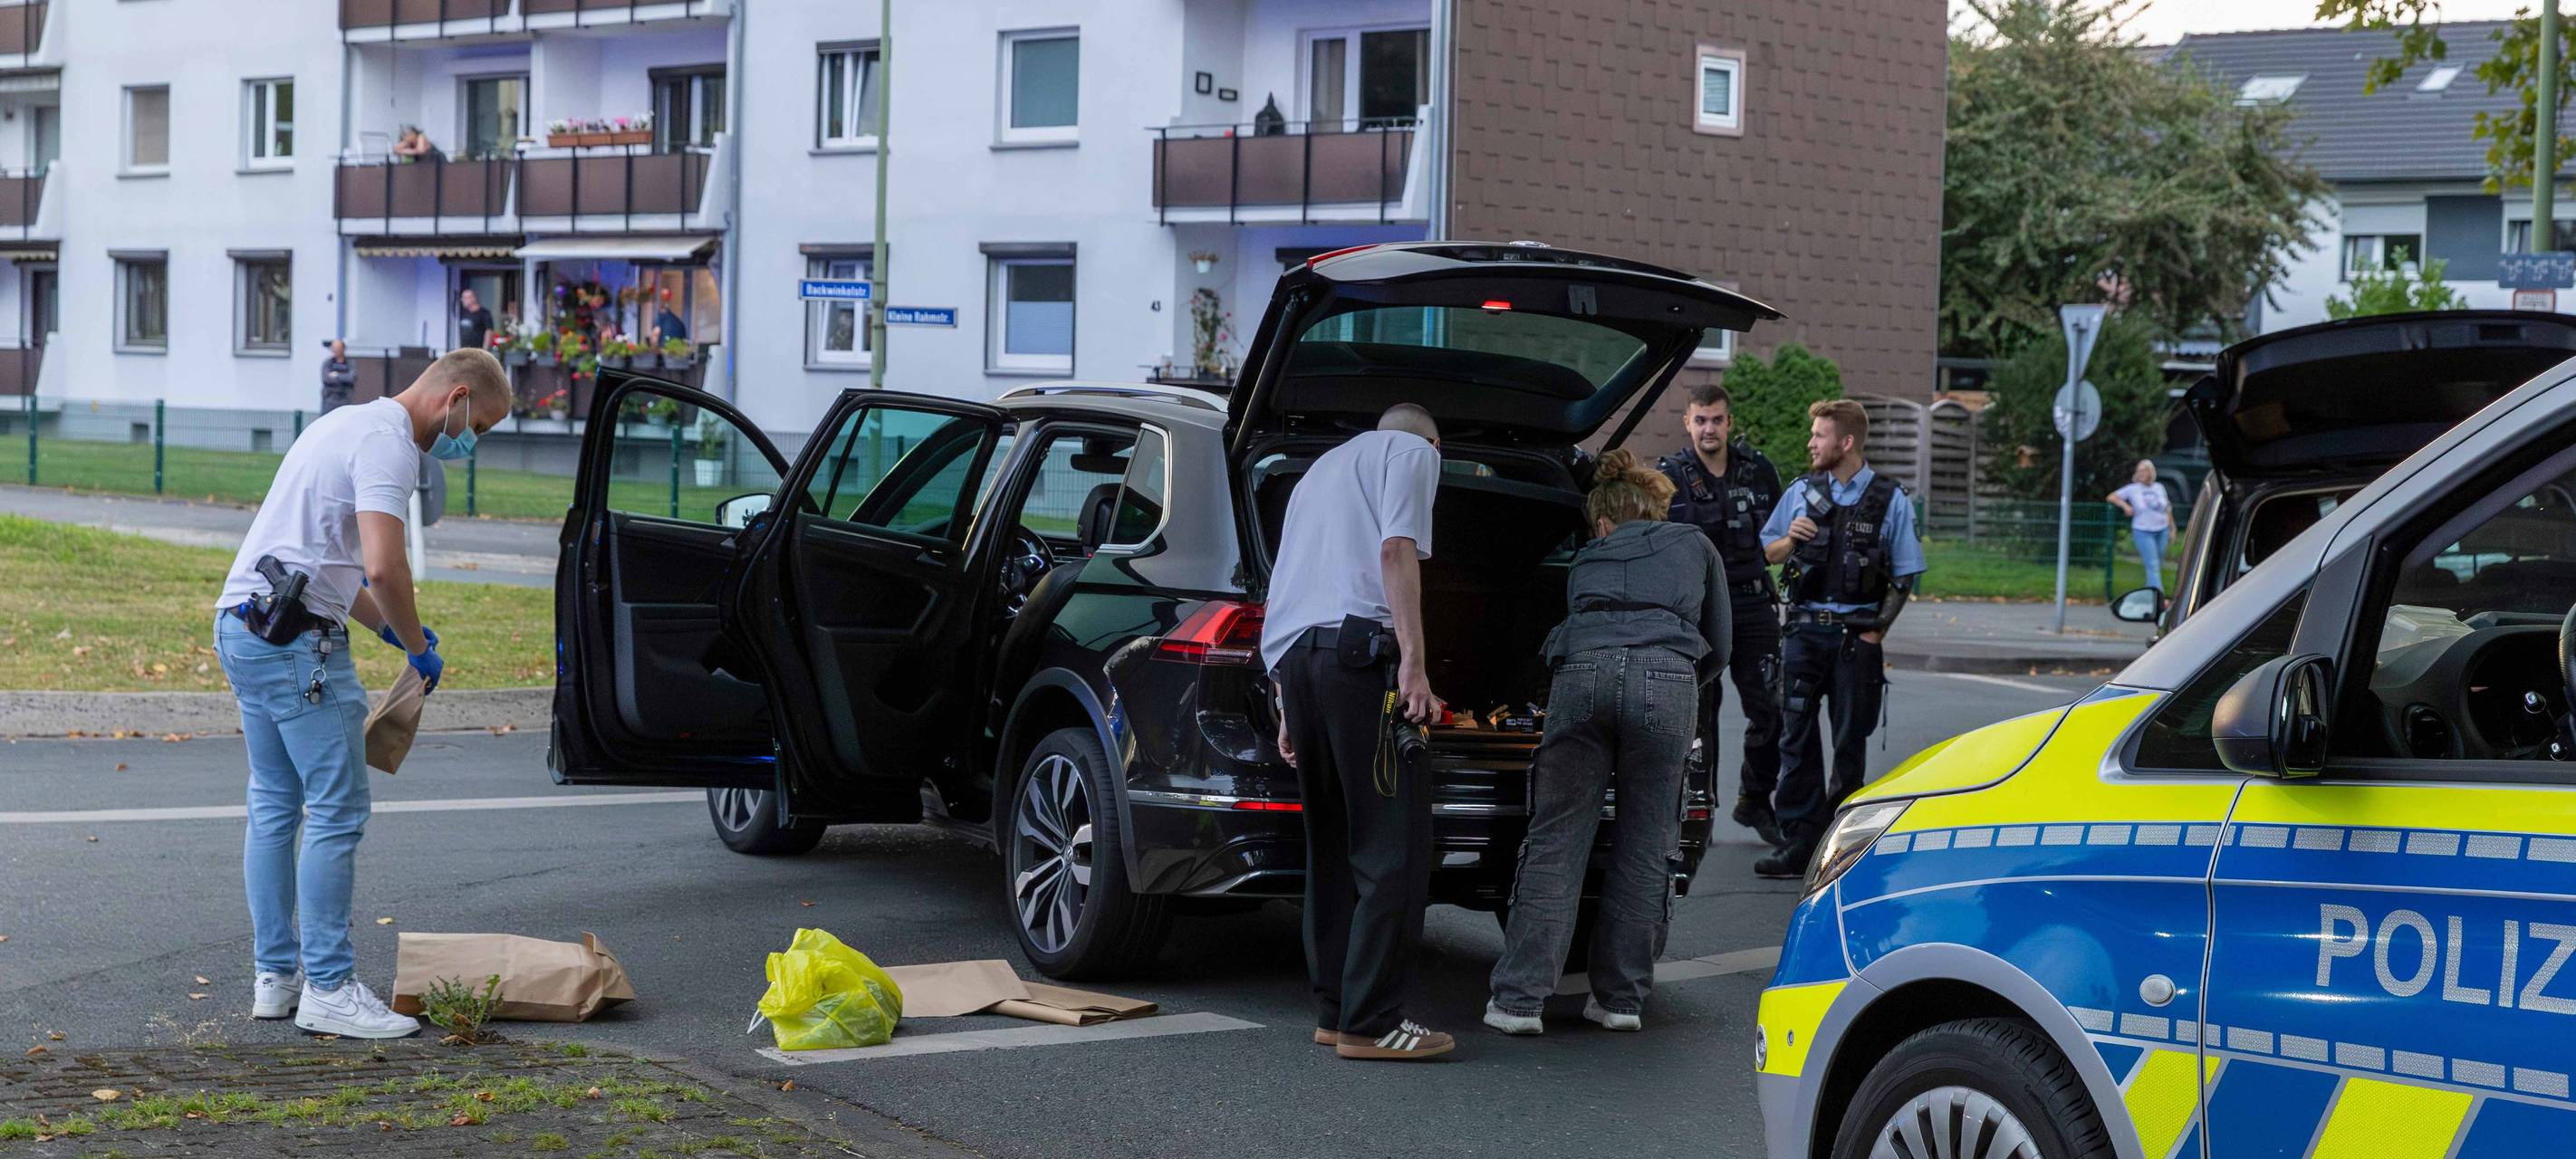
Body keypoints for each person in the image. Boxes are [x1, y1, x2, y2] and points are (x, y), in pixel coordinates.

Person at [212, 348, 510, 1039]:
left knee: (275, 806)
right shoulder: (391, 447)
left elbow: (328, 560)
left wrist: (382, 631)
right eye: (480, 426)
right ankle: (329, 987)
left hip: (244, 625)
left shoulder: (342, 424)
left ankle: (277, 977)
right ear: (456, 397)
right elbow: (383, 562)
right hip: (299, 646)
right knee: (337, 814)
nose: (472, 440)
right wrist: (414, 644)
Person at [1485, 450, 1728, 1037]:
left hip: (1583, 673)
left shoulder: (1585, 556)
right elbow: (1720, 643)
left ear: (1601, 523)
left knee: (1557, 838)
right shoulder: (1695, 544)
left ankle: (1518, 1003)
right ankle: (1620, 1001)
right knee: (1648, 842)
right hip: (1669, 679)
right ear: (1657, 509)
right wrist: (1678, 687)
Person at [1260, 403, 1453, 1061]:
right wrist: (1415, 667)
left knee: (1333, 848)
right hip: (1358, 663)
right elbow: (1397, 549)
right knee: (1392, 849)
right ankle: (1374, 1024)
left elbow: (1288, 591)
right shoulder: (1412, 453)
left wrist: (1286, 702)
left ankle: (1337, 1011)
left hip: (1300, 666)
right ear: (1431, 441)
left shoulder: (1317, 472)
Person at [1754, 399, 1925, 878]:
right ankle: (1798, 844)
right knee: (1796, 740)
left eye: (1819, 435)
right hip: (1804, 633)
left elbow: (1906, 575)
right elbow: (1769, 551)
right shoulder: (1802, 493)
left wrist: (1876, 632)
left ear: (1845, 442)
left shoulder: (1891, 499)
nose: (1811, 443)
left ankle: (1842, 850)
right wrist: (1790, 539)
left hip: (1856, 642)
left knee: (1850, 744)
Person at [1656, 384, 1786, 846]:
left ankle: (1755, 799)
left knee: (1772, 709)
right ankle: (1697, 810)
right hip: (1699, 609)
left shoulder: (1758, 470)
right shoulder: (1669, 474)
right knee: (1698, 719)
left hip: (1752, 603)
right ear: (1687, 422)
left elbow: (1778, 535)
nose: (1708, 428)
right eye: (1700, 420)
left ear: (1729, 422)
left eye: (1717, 419)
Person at [2107, 459, 2173, 593]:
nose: (2141, 473)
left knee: (2157, 564)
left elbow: (2167, 508)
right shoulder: (2132, 489)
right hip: (2143, 531)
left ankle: (2150, 596)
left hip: (2162, 529)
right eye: (2139, 470)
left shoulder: (2159, 487)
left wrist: (2172, 527)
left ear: (2151, 472)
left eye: (2144, 470)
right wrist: (2126, 506)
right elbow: (2111, 497)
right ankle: (2158, 596)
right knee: (2152, 564)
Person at [319, 340, 356, 414]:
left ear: (343, 349)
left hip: (345, 400)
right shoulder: (328, 363)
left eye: (338, 348)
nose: (335, 351)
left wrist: (337, 375)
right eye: (334, 348)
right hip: (329, 400)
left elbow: (352, 378)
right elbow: (326, 379)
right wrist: (344, 379)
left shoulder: (350, 363)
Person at [457, 289, 495, 355]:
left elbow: (489, 332)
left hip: (478, 352)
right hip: (464, 351)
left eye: (465, 298)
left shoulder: (484, 314)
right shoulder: (463, 313)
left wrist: (485, 351)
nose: (462, 300)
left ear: (473, 299)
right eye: (462, 298)